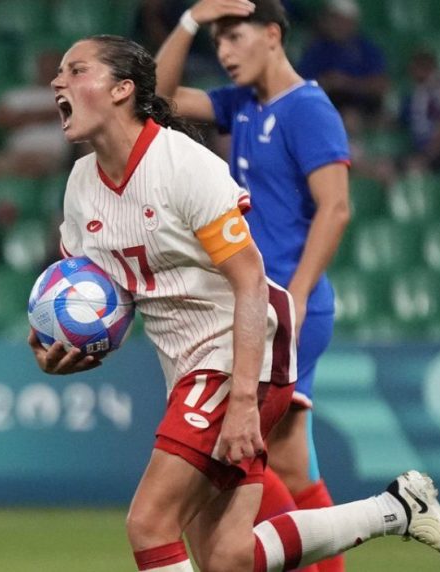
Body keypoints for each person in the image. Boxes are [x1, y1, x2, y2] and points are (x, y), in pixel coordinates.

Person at [30, 33, 440, 572]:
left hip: (240, 349)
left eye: (76, 70)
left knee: (149, 524)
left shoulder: (182, 165)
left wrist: (242, 402)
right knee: (229, 557)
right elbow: (97, 291)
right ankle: (397, 508)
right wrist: (63, 341)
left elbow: (251, 281)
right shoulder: (80, 186)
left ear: (122, 90)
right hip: (187, 363)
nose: (57, 81)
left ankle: (392, 507)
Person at [154, 3, 353, 569]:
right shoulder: (242, 104)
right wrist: (191, 20)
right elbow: (160, 100)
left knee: (243, 459)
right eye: (217, 42)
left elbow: (335, 208)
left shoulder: (308, 109)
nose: (224, 52)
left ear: (272, 35)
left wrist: (298, 294)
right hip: (260, 307)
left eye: (234, 37)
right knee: (289, 468)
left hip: (284, 307)